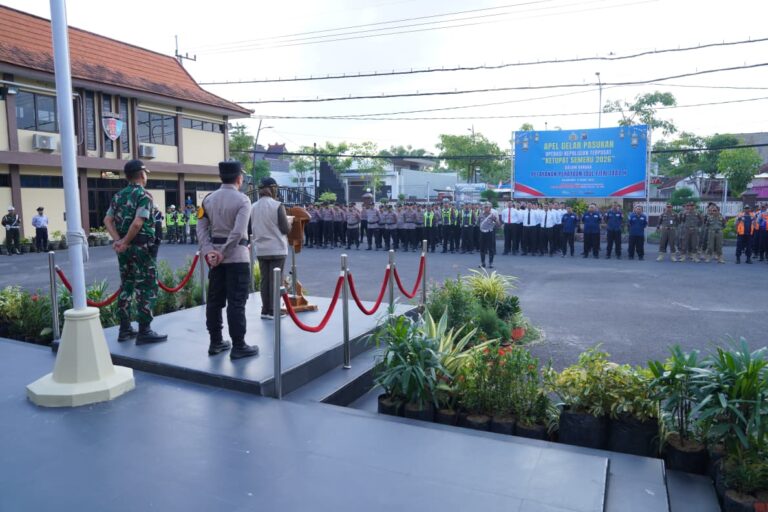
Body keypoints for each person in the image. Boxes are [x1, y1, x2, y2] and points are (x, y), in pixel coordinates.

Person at [197, 160, 258, 359]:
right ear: (239, 178)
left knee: (214, 301)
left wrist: (209, 252)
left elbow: (201, 229)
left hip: (215, 259)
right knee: (236, 303)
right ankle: (238, 345)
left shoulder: (208, 199)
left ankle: (215, 342)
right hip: (237, 257)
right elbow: (239, 232)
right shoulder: (243, 200)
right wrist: (223, 251)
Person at [103, 159, 166, 345]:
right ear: (141, 174)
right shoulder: (143, 196)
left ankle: (124, 329)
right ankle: (144, 330)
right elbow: (138, 223)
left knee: (127, 285)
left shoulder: (118, 196)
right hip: (141, 248)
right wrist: (126, 241)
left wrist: (119, 241)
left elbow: (107, 220)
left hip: (124, 249)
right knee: (147, 286)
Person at [250, 176, 291, 323]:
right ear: (273, 189)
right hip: (277, 248)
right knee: (276, 281)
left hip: (261, 249)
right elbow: (285, 228)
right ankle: (274, 310)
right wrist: (290, 222)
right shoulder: (277, 205)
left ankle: (265, 309)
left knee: (264, 280)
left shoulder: (252, 206)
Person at [477, 202, 501, 268]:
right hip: (482, 233)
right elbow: (478, 222)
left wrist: (495, 220)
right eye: (484, 207)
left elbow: (499, 224)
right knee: (482, 248)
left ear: (490, 208)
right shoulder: (481, 214)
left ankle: (490, 263)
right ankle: (483, 263)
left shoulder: (493, 215)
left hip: (490, 233)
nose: (485, 208)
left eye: (486, 207)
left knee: (491, 248)